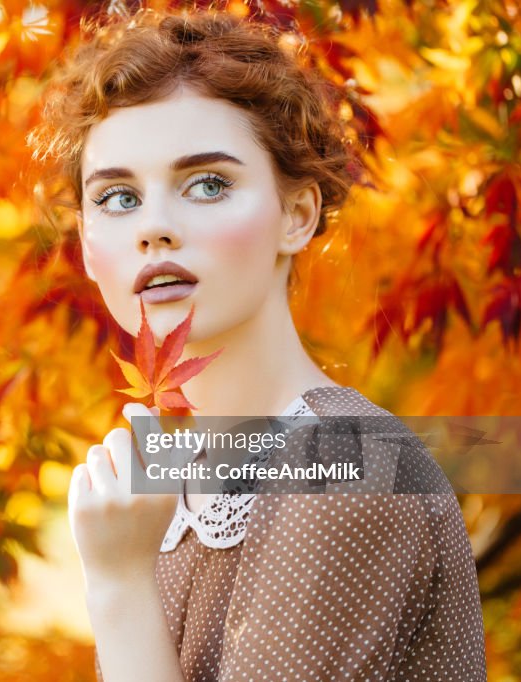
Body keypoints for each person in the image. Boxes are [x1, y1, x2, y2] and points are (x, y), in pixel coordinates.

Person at [26, 8, 487, 681]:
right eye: (119, 197)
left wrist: (120, 587)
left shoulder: (348, 467)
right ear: (89, 251)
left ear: (297, 215)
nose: (154, 227)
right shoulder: (160, 501)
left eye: (208, 184)